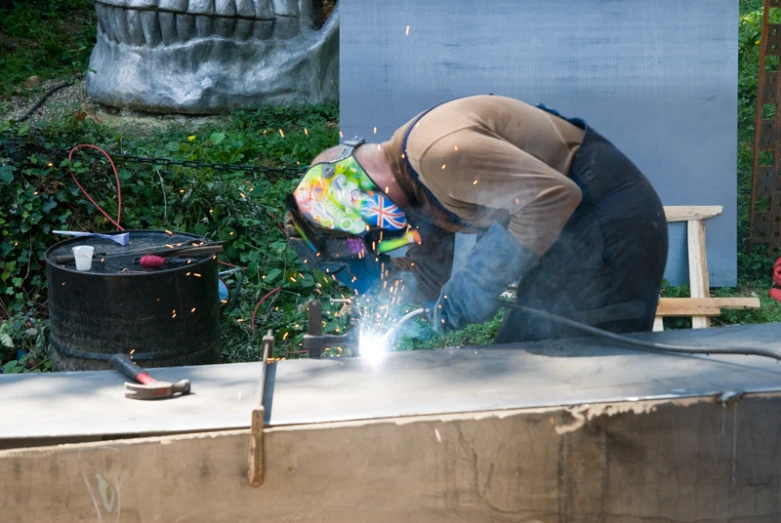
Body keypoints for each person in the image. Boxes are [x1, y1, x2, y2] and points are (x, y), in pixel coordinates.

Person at [285, 94, 668, 344]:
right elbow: (427, 278)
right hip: (568, 236)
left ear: (366, 199)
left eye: (370, 233)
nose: (380, 238)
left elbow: (552, 198)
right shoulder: (417, 185)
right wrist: (393, 318)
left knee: (573, 375)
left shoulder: (436, 154)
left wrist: (472, 289)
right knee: (520, 354)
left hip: (608, 223)